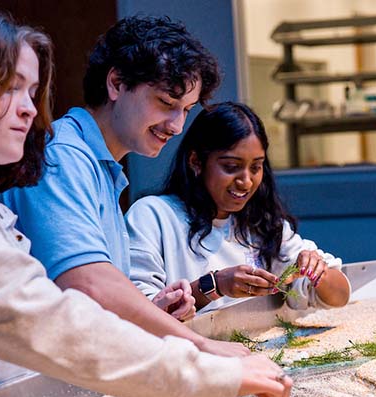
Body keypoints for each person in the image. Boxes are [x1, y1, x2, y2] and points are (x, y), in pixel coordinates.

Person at [0, 8, 290, 397]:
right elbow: (59, 310)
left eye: (32, 91)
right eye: (11, 88)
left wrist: (148, 320)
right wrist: (203, 360)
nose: (28, 109)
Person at [0, 16, 246, 357]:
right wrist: (201, 346)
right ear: (116, 83)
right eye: (166, 103)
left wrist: (152, 313)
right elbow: (88, 283)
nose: (176, 126)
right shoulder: (64, 157)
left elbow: (93, 309)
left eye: (186, 110)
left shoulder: (100, 164)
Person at [126, 102, 351, 312]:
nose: (246, 181)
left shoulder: (263, 224)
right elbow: (141, 311)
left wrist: (318, 273)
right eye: (231, 166)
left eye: (256, 167)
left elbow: (339, 297)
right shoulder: (153, 216)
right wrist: (216, 285)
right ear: (196, 162)